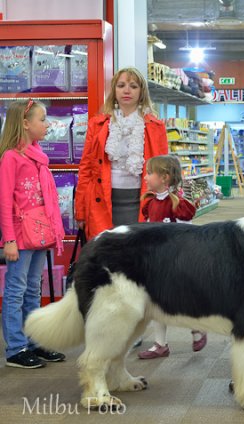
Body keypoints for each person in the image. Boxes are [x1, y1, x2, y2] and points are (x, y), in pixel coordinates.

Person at [0, 99, 66, 368]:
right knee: (16, 290)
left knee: (32, 289)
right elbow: (4, 201)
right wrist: (9, 240)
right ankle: (16, 347)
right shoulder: (11, 158)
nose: (47, 124)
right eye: (42, 119)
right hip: (20, 235)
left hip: (39, 232)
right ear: (26, 124)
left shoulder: (38, 156)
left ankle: (34, 340)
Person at [75, 67, 168, 240]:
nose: (126, 90)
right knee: (106, 255)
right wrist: (80, 211)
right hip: (101, 201)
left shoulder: (156, 126)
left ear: (141, 92)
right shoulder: (97, 124)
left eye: (133, 86)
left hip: (142, 202)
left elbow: (164, 171)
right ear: (114, 90)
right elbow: (86, 169)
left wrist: (167, 206)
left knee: (140, 255)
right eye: (121, 85)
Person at [136, 155, 208, 359]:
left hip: (176, 263)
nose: (145, 178)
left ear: (164, 178)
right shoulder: (149, 203)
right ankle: (160, 344)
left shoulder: (178, 205)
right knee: (155, 303)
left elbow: (188, 236)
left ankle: (197, 327)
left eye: (150, 173)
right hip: (155, 262)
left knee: (180, 300)